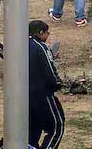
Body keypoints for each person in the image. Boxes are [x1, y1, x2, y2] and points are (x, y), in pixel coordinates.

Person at [28, 20, 64, 149]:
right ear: (41, 32)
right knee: (56, 128)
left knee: (31, 134)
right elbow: (49, 71)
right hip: (43, 95)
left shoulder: (19, 45)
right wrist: (57, 84)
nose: (47, 36)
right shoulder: (41, 46)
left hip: (24, 97)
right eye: (47, 33)